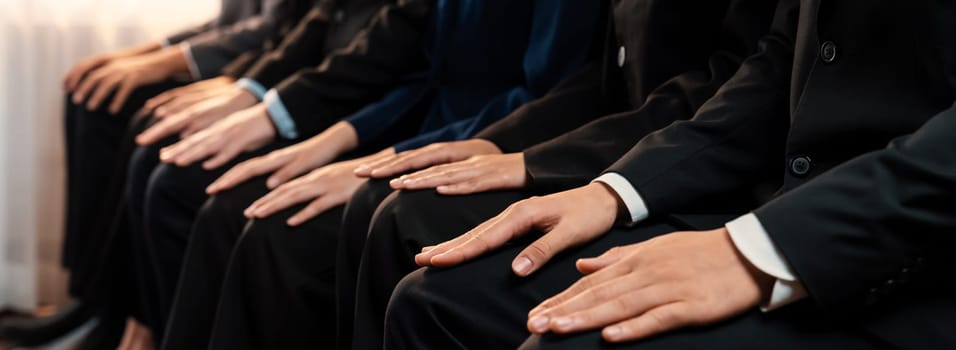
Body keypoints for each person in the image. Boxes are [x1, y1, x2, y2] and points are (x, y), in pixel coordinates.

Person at [385, 0, 956, 348]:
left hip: (913, 259)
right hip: (785, 199)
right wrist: (614, 189)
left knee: (569, 341)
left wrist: (761, 250)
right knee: (436, 298)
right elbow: (778, 60)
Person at [158, 1, 602, 349]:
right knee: (234, 201)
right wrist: (334, 140)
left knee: (280, 232)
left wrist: (392, 158)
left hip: (499, 141)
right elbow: (422, 65)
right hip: (423, 124)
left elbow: (547, 95)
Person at [337, 0, 779, 347]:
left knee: (427, 281)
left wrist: (565, 170)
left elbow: (730, 85)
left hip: (705, 166)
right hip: (631, 141)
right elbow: (606, 80)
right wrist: (505, 143)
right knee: (393, 209)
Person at [0, 1, 307, 349]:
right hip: (257, 68)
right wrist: (146, 52)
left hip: (273, 73)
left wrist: (242, 84)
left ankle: (129, 320)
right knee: (93, 96)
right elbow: (230, 21)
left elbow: (281, 30)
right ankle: (96, 302)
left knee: (153, 143)